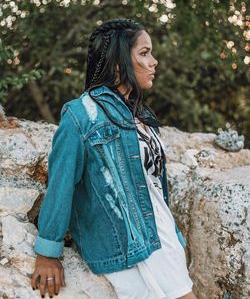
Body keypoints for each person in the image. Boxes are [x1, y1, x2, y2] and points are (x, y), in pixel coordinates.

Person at [31, 18, 197, 299]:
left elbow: (155, 185)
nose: (154, 61)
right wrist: (48, 252)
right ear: (118, 62)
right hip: (129, 245)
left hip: (162, 238)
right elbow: (62, 183)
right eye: (144, 53)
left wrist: (177, 238)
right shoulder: (81, 114)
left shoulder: (143, 116)